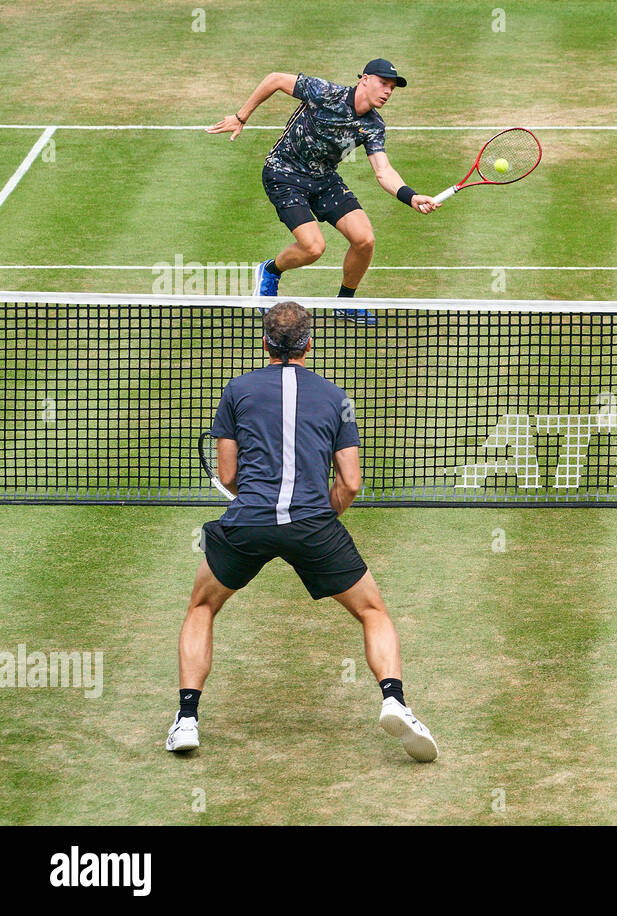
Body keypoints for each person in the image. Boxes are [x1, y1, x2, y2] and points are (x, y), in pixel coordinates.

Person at [165, 301, 438, 762]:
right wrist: (317, 517)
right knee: (372, 610)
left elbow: (228, 476)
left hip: (248, 522)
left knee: (202, 606)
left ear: (266, 341)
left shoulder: (237, 390)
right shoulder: (335, 397)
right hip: (314, 527)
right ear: (309, 342)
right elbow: (350, 482)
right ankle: (395, 701)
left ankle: (186, 721)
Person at [206, 59, 438, 325]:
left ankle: (344, 304)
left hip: (324, 179)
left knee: (365, 240)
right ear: (364, 79)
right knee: (313, 247)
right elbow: (275, 79)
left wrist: (411, 196)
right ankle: (270, 271)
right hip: (284, 174)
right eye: (383, 83)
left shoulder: (373, 125)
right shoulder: (325, 93)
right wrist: (240, 117)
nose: (387, 91)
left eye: (392, 87)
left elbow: (383, 170)